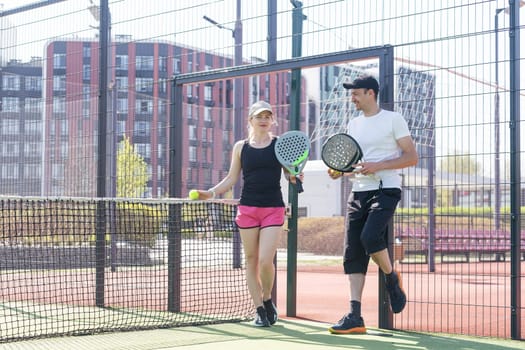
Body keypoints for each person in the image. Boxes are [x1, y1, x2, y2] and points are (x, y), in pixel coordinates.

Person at [193, 100, 302, 327]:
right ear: (250, 120)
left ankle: (267, 298)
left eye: (267, 116)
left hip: (273, 208)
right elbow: (232, 178)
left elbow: (289, 175)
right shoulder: (240, 147)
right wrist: (210, 193)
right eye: (259, 116)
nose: (264, 120)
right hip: (248, 209)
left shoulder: (279, 144)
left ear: (272, 120)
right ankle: (260, 310)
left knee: (264, 260)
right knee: (251, 260)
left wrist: (295, 177)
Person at [327, 75, 418, 334]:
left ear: (370, 93)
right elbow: (353, 164)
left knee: (370, 237)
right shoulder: (353, 124)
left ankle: (391, 277)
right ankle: (355, 315)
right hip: (358, 191)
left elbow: (411, 157)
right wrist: (339, 171)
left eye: (355, 93)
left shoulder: (393, 119)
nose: (352, 98)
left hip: (386, 189)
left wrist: (379, 165)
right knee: (353, 252)